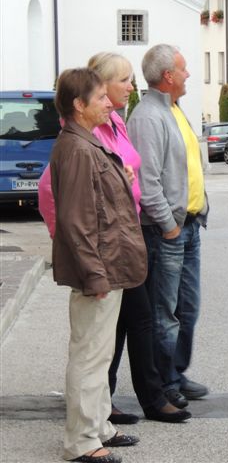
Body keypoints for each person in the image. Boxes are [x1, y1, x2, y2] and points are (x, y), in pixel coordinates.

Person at [39, 53, 191, 426]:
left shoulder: (115, 123)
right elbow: (55, 196)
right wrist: (78, 253)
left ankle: (112, 410)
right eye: (122, 80)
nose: (129, 86)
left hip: (124, 240)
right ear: (95, 92)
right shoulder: (79, 138)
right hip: (105, 248)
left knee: (128, 325)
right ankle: (101, 420)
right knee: (101, 341)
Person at [49, 67, 143, 463]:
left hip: (108, 266)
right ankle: (82, 443)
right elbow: (76, 221)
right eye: (101, 98)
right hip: (98, 270)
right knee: (89, 357)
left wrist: (120, 177)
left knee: (99, 355)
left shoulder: (86, 144)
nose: (110, 103)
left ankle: (99, 427)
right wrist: (94, 274)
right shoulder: (76, 148)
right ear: (79, 105)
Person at [127, 44, 209, 408]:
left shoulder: (174, 110)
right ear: (168, 76)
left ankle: (176, 372)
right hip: (167, 231)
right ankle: (163, 383)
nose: (189, 74)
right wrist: (168, 225)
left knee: (187, 308)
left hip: (189, 225)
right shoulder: (147, 118)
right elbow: (147, 182)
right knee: (166, 311)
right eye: (184, 68)